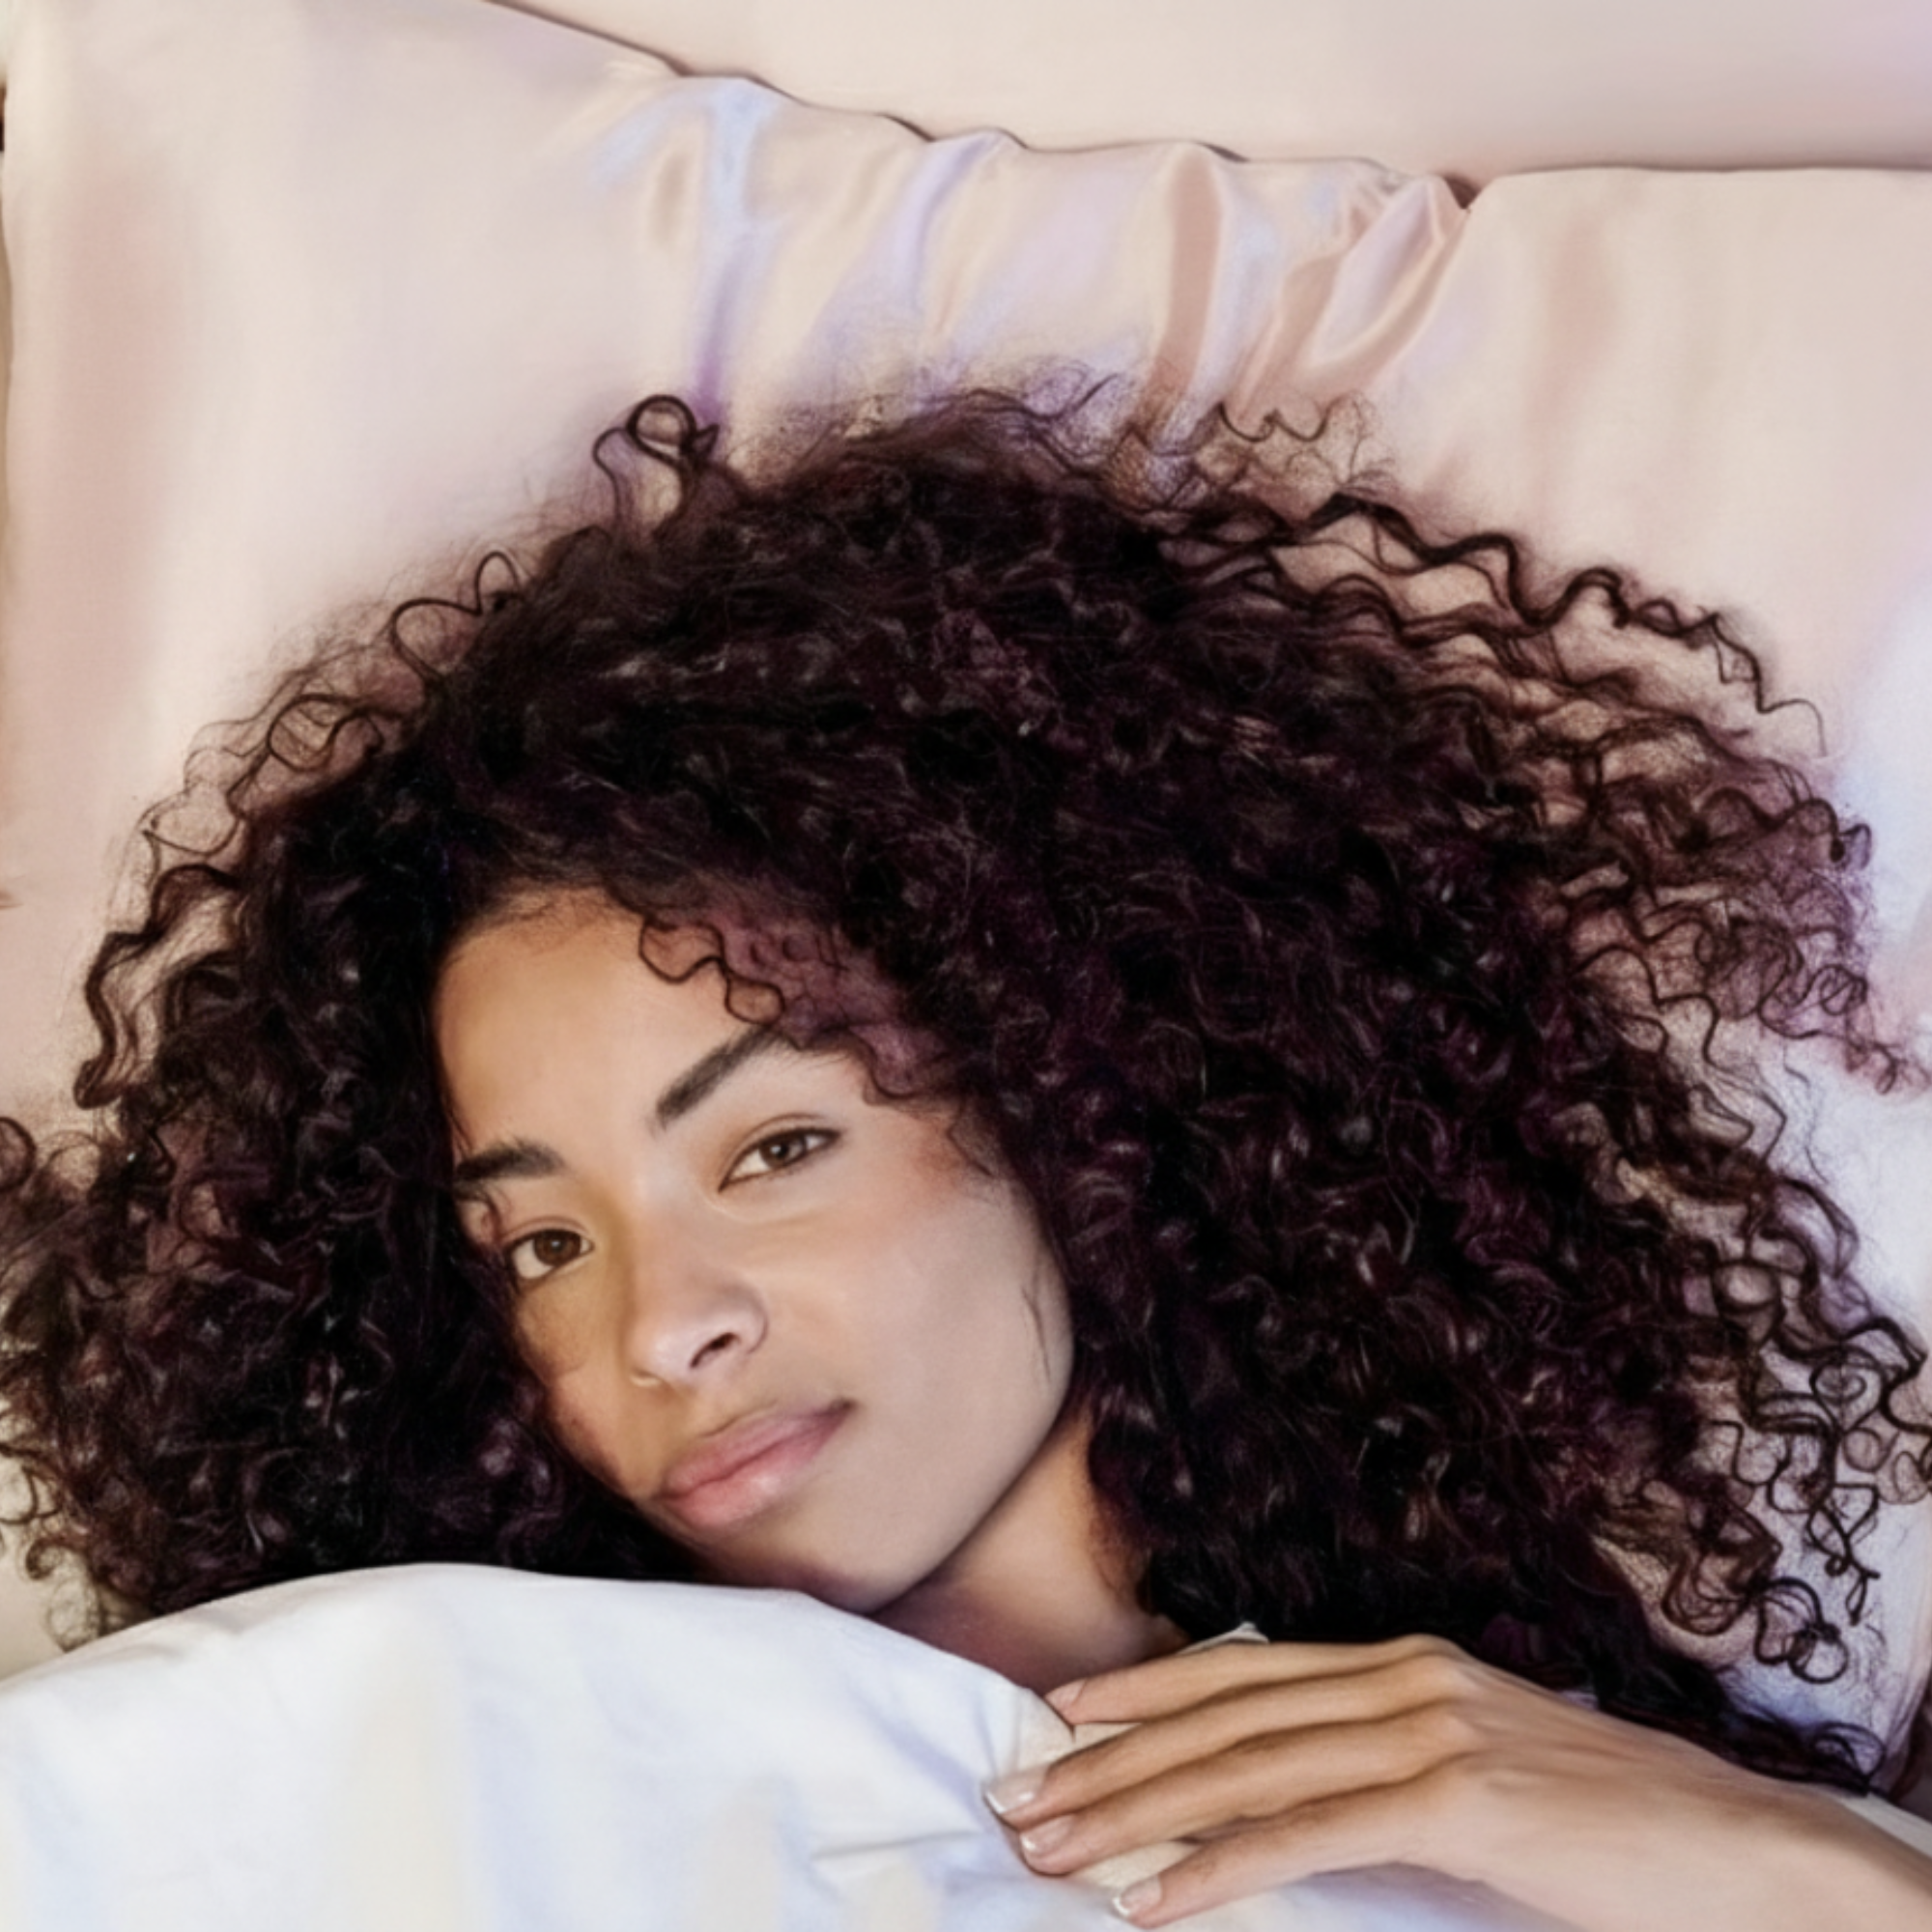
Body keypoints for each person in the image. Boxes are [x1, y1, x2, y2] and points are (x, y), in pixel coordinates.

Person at [3, 392, 1931, 1929]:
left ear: (1077, 1106)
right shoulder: (397, 1719)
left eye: (773, 1143)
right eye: (536, 1245)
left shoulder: (1565, 1837)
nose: (657, 1328)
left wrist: (1803, 1876)